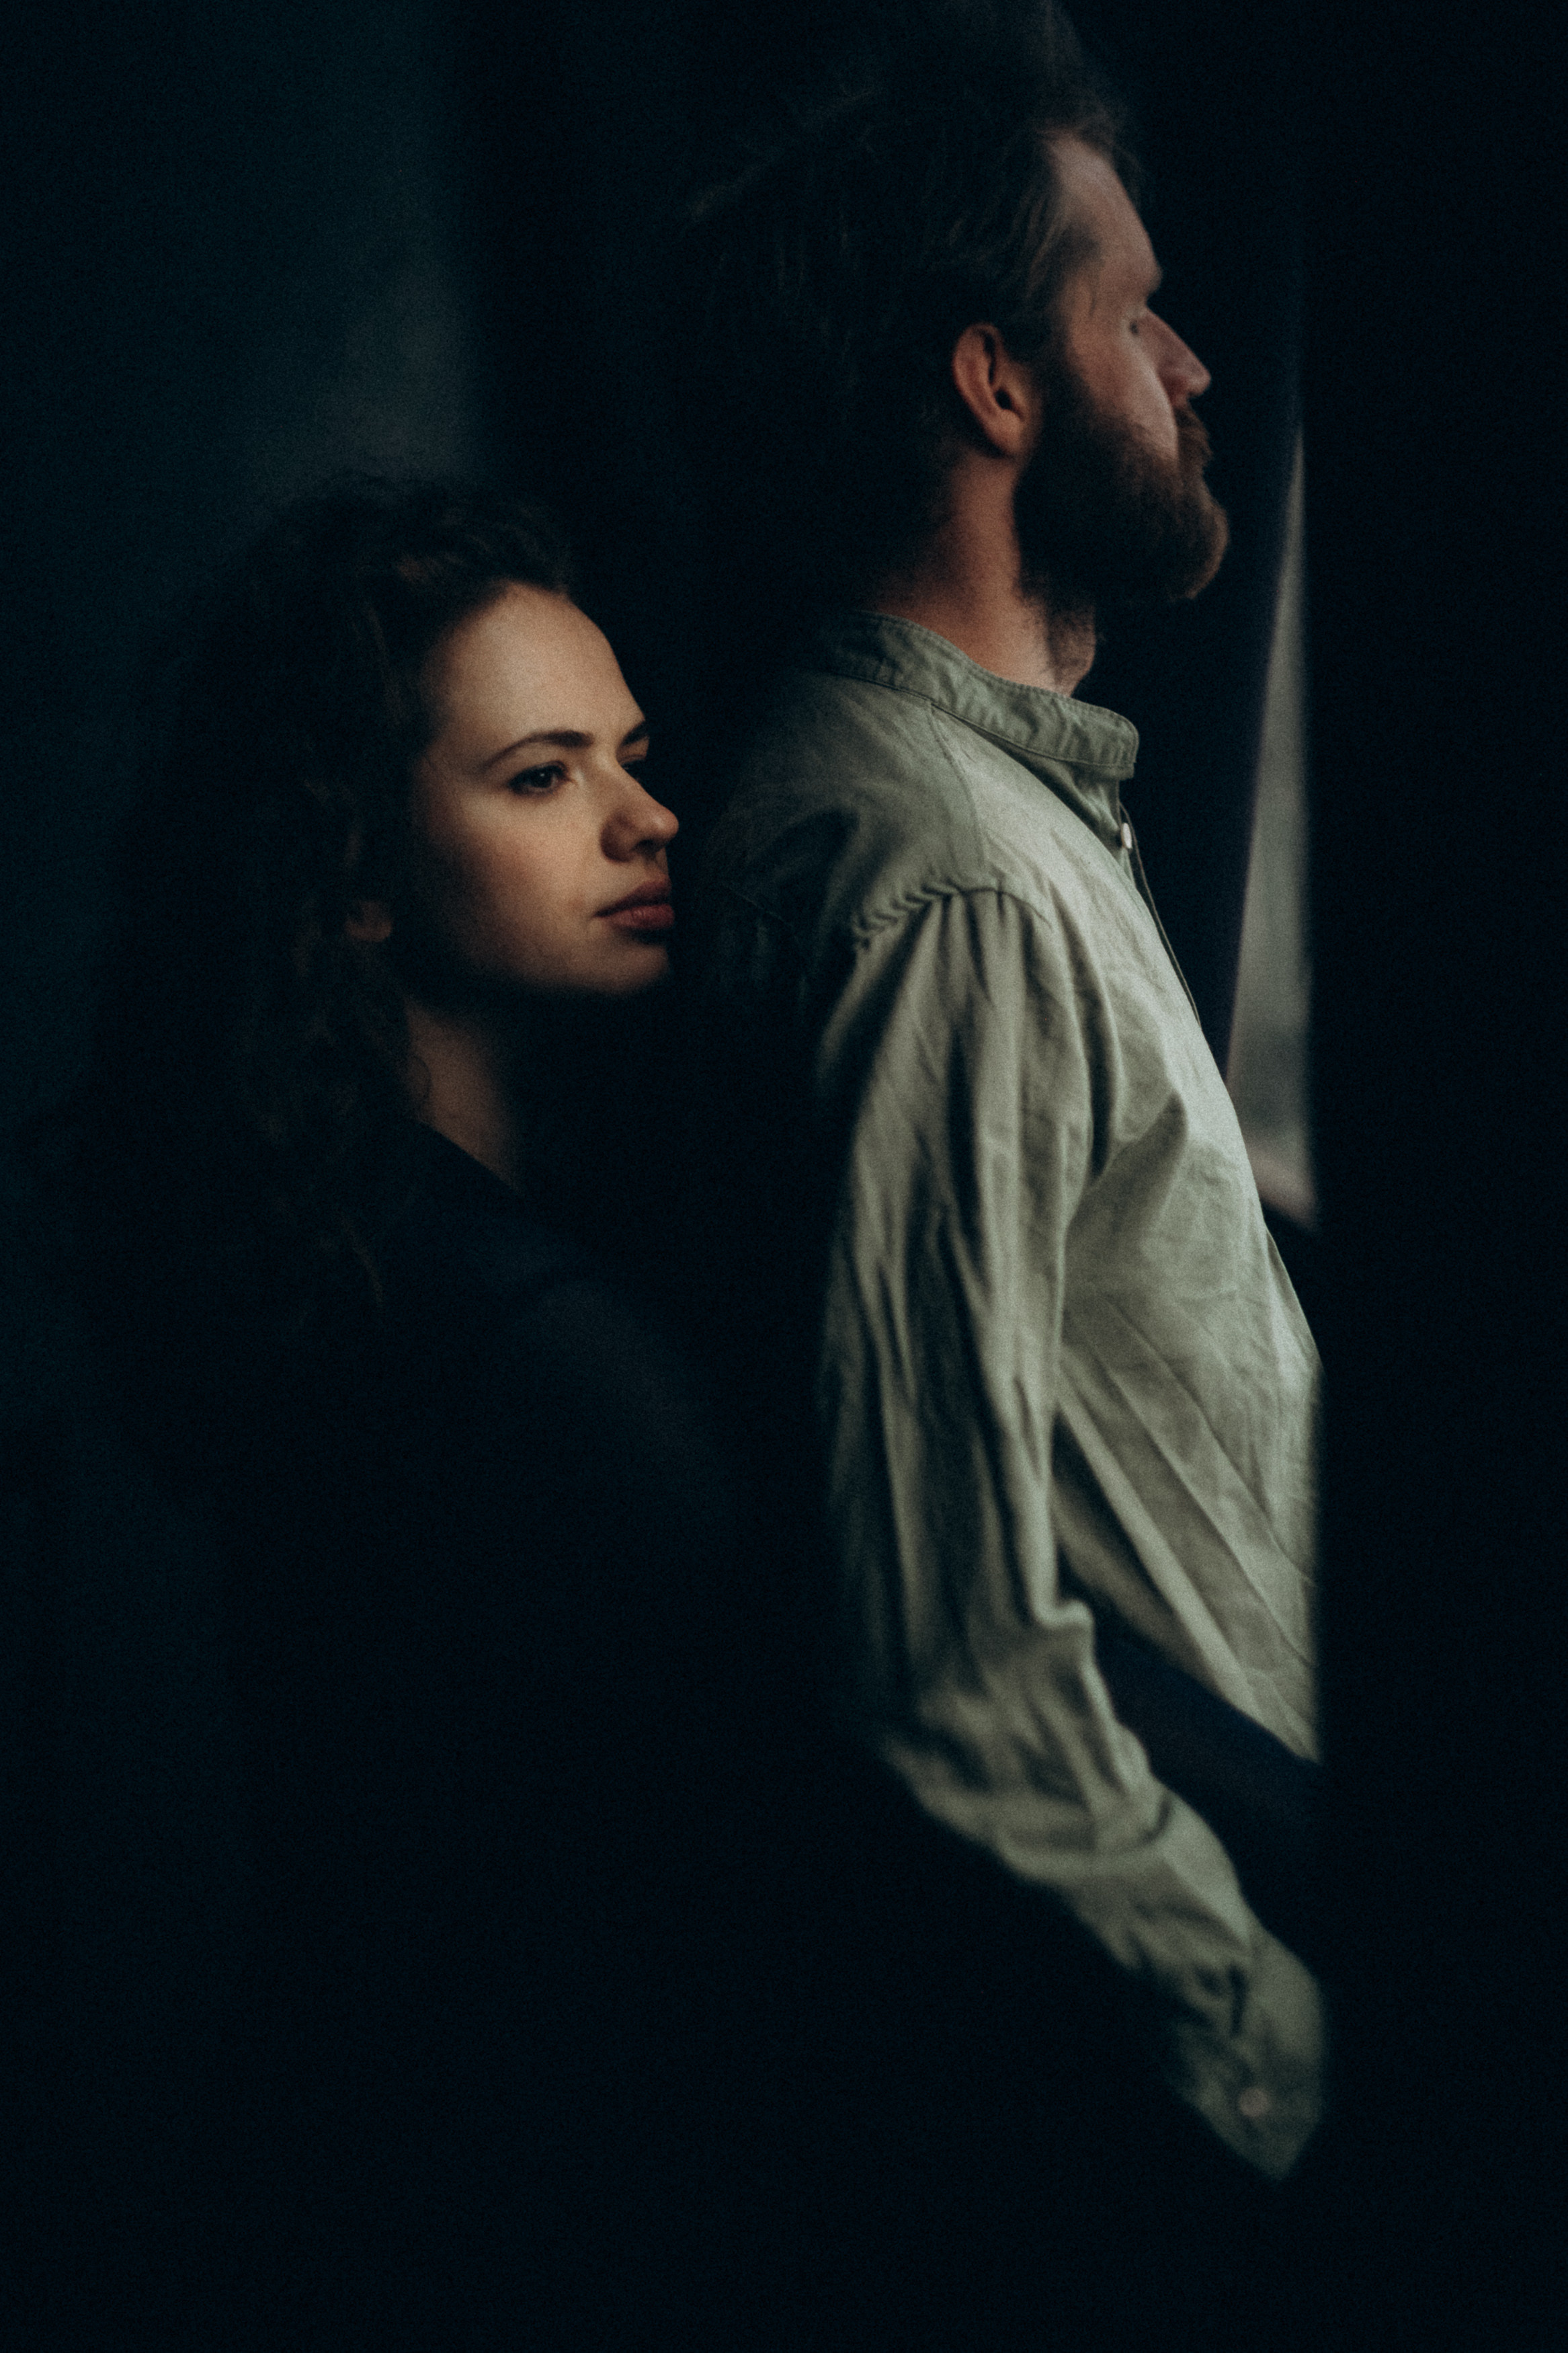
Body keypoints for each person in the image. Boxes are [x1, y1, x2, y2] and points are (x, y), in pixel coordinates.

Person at [676, 8, 1325, 2336]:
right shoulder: (943, 881)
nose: (1194, 362)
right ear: (993, 384)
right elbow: (943, 1649)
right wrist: (1280, 2045)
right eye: (1133, 311)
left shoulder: (995, 826)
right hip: (1199, 2040)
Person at [26, 482, 774, 2346]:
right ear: (352, 870)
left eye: (636, 753)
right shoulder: (531, 1346)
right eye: (539, 775)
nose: (647, 814)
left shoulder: (340, 1233)